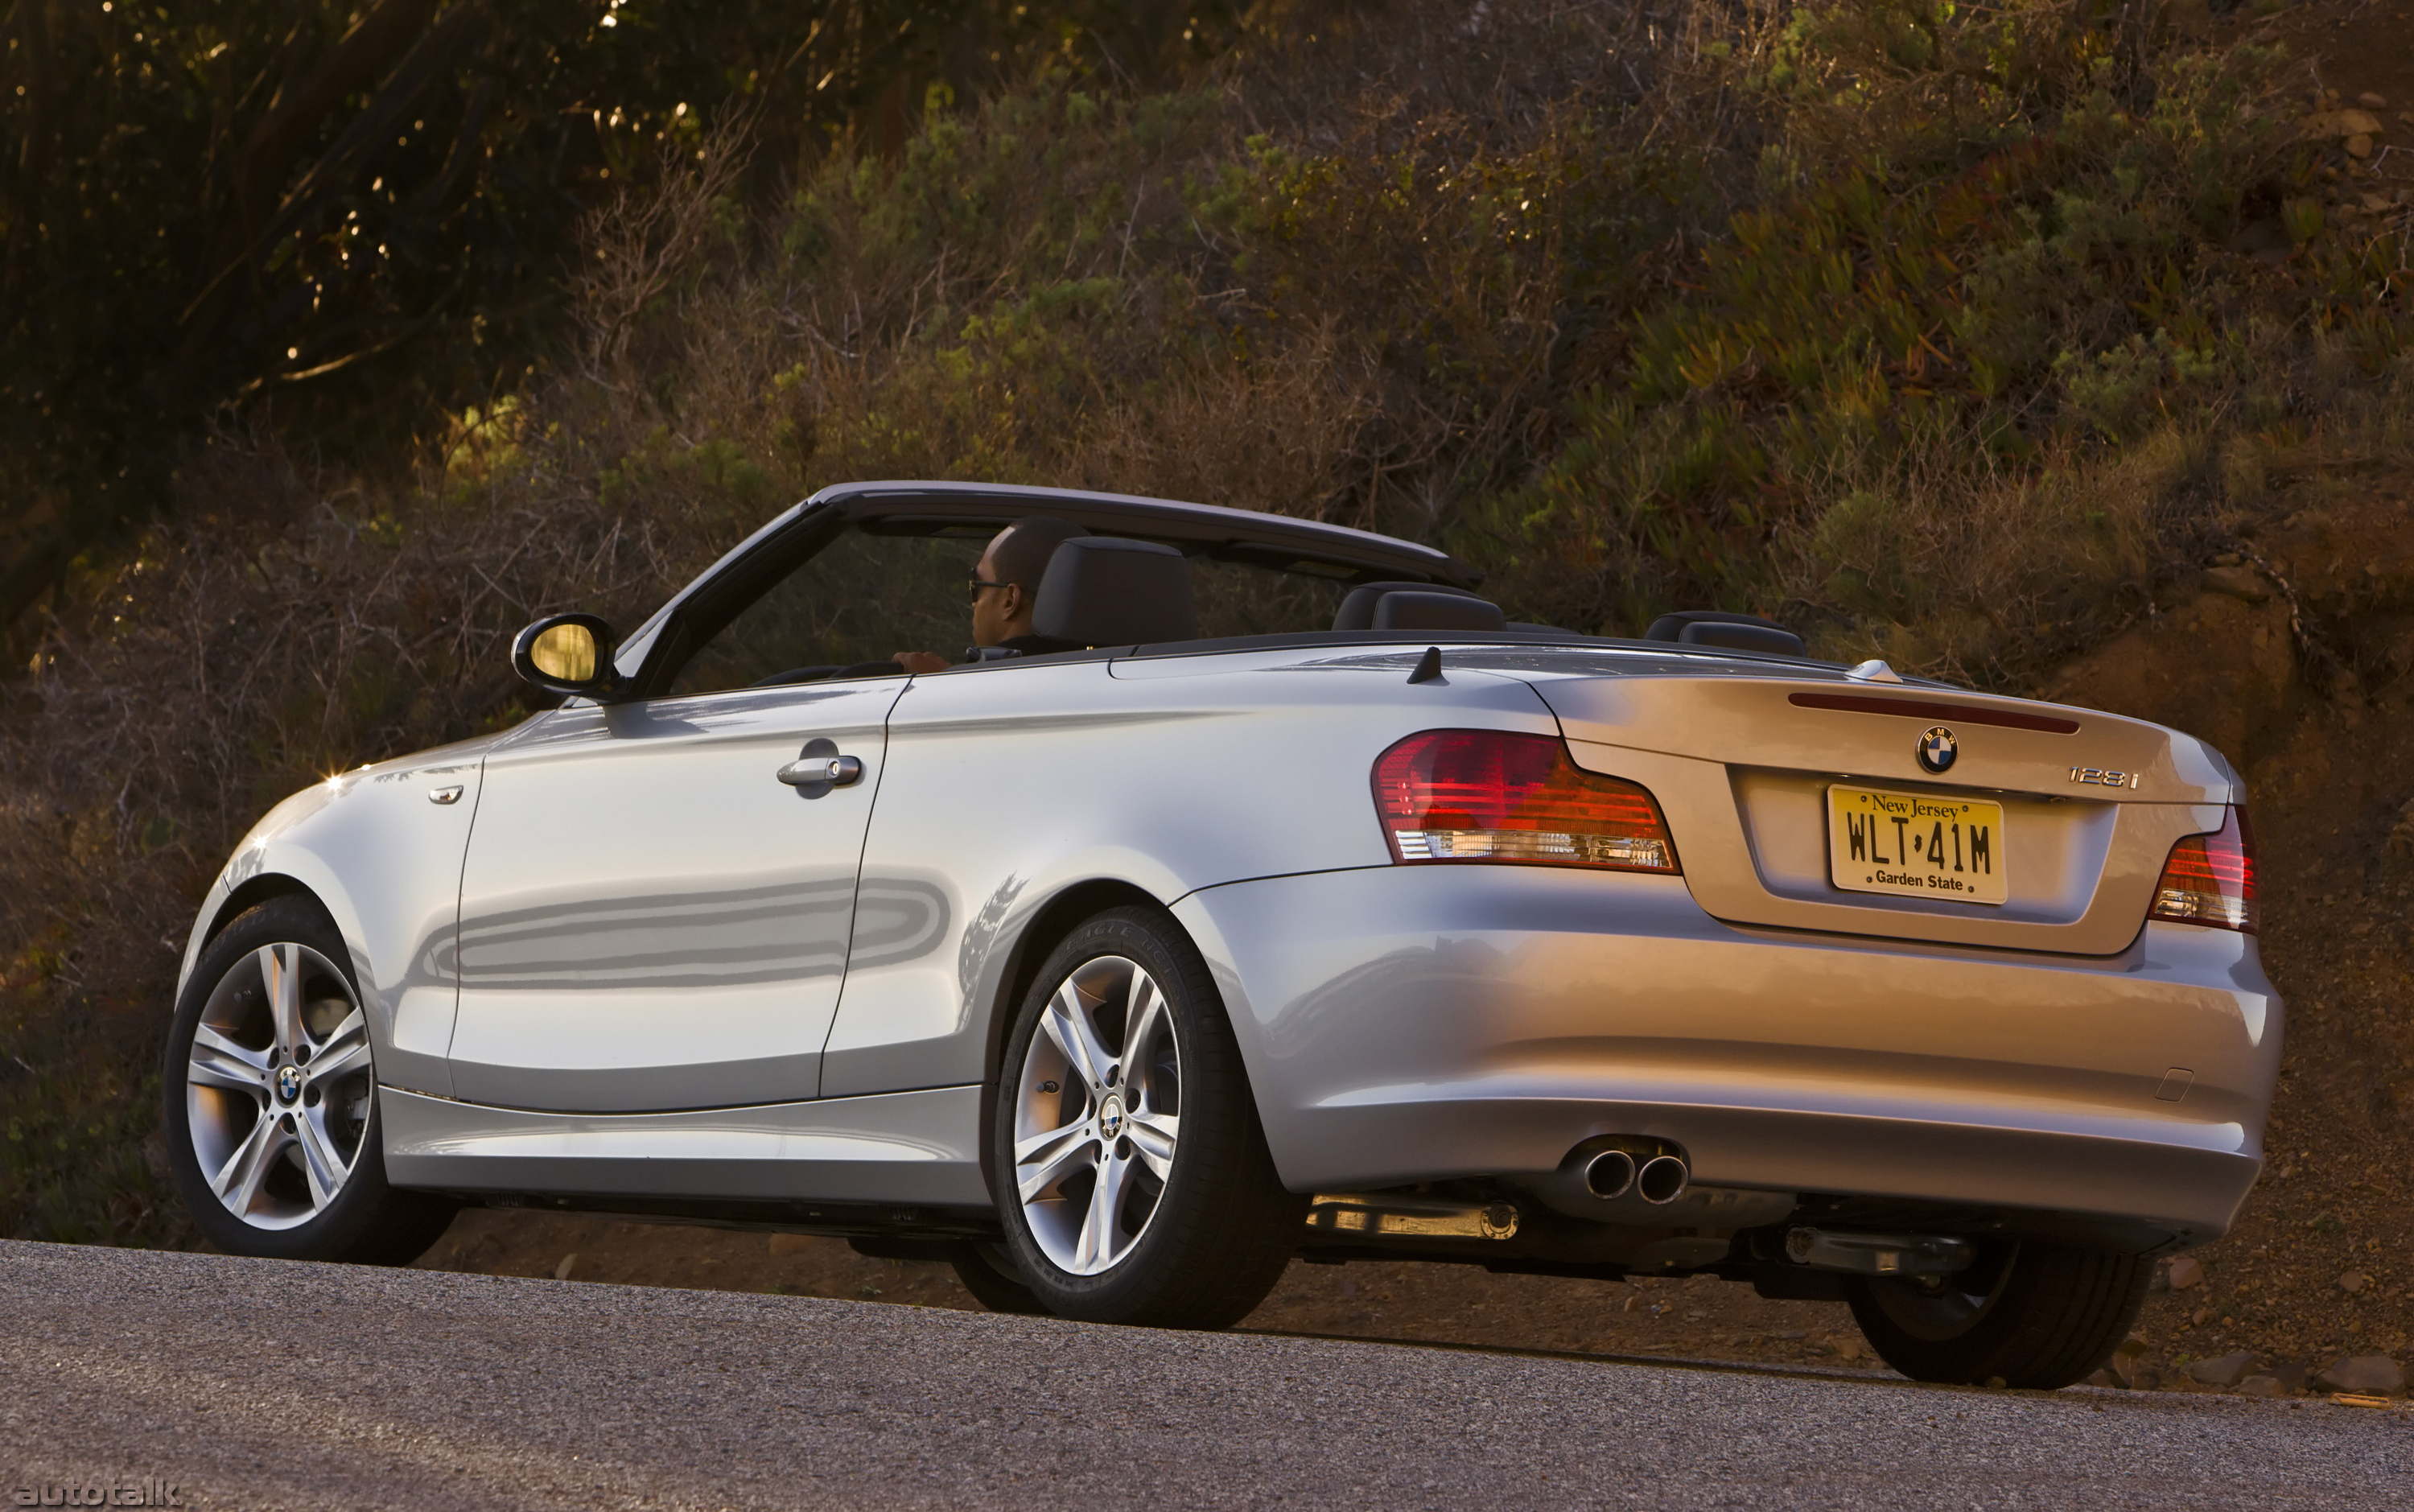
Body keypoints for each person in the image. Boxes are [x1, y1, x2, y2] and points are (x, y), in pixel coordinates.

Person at [891, 516, 1090, 674]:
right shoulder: (1101, 675)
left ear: (1010, 600)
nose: (973, 604)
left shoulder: (977, 693)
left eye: (975, 585)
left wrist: (940, 684)